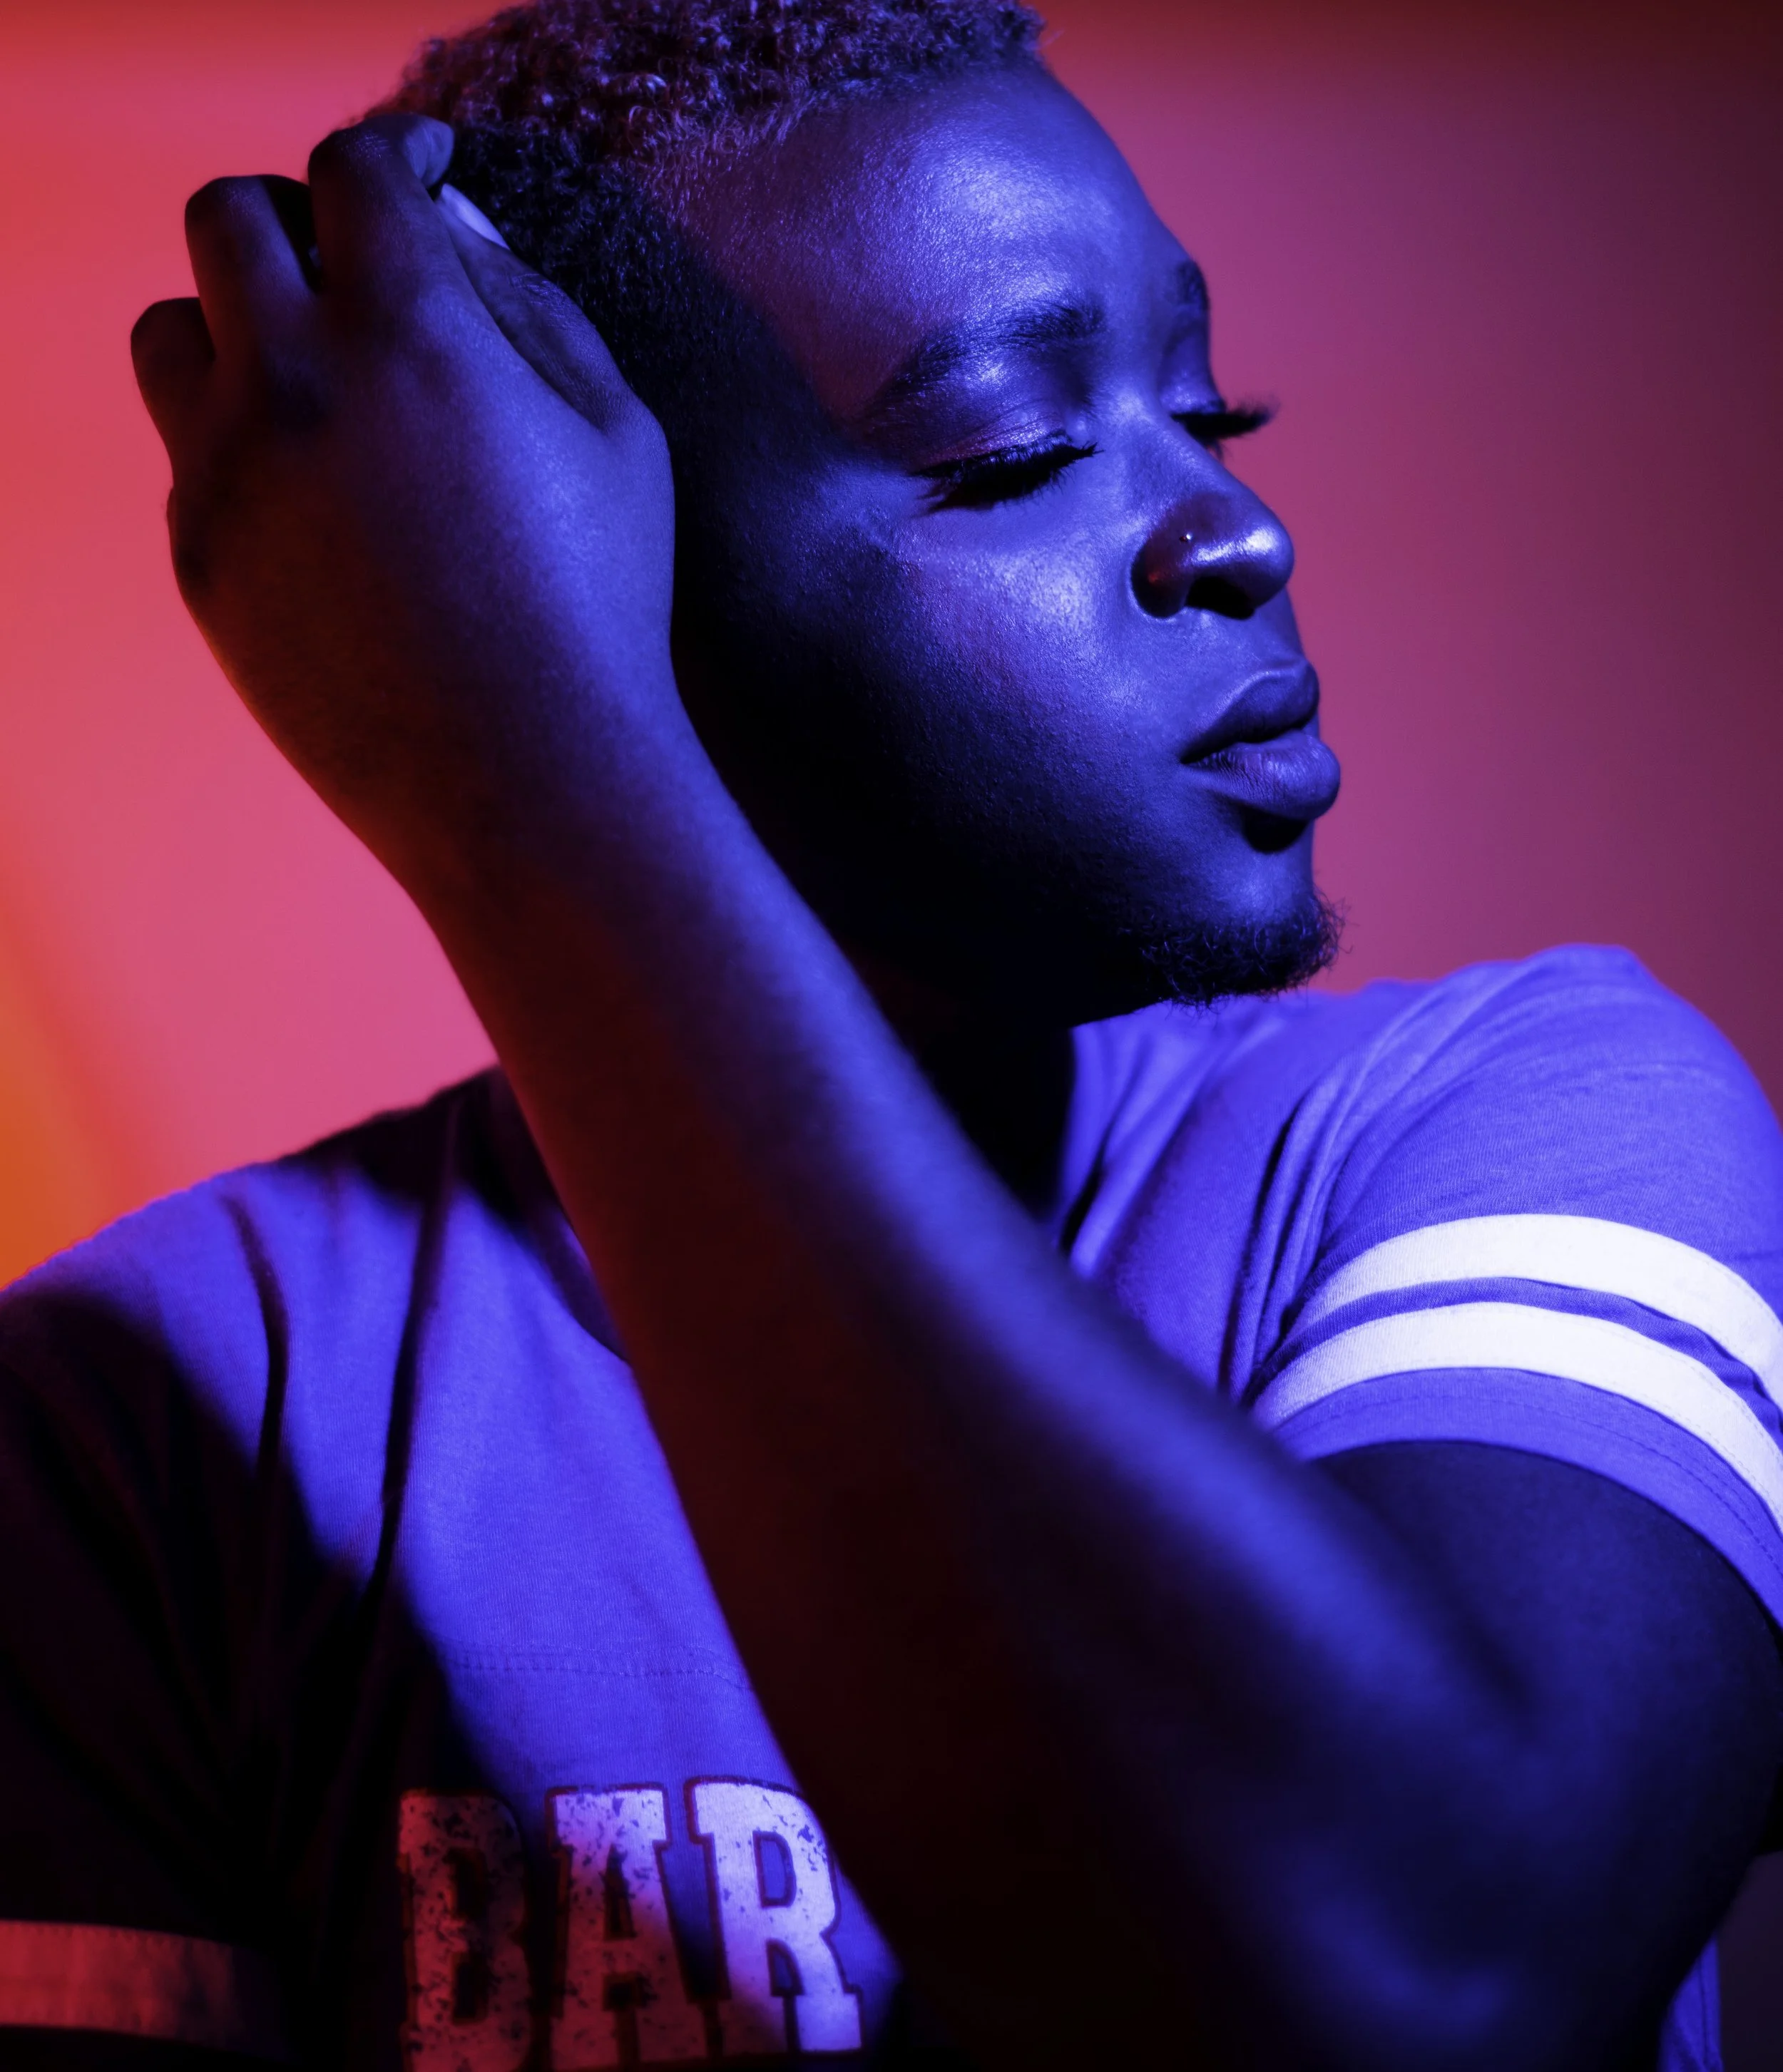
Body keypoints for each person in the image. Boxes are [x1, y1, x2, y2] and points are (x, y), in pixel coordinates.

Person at [1, 0, 1779, 2064]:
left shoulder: (1519, 1119)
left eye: (1215, 408)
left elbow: (1414, 1983)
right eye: (1013, 448)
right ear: (563, 579)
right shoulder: (143, 1414)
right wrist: (524, 759)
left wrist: (535, 802)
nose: (1236, 535)